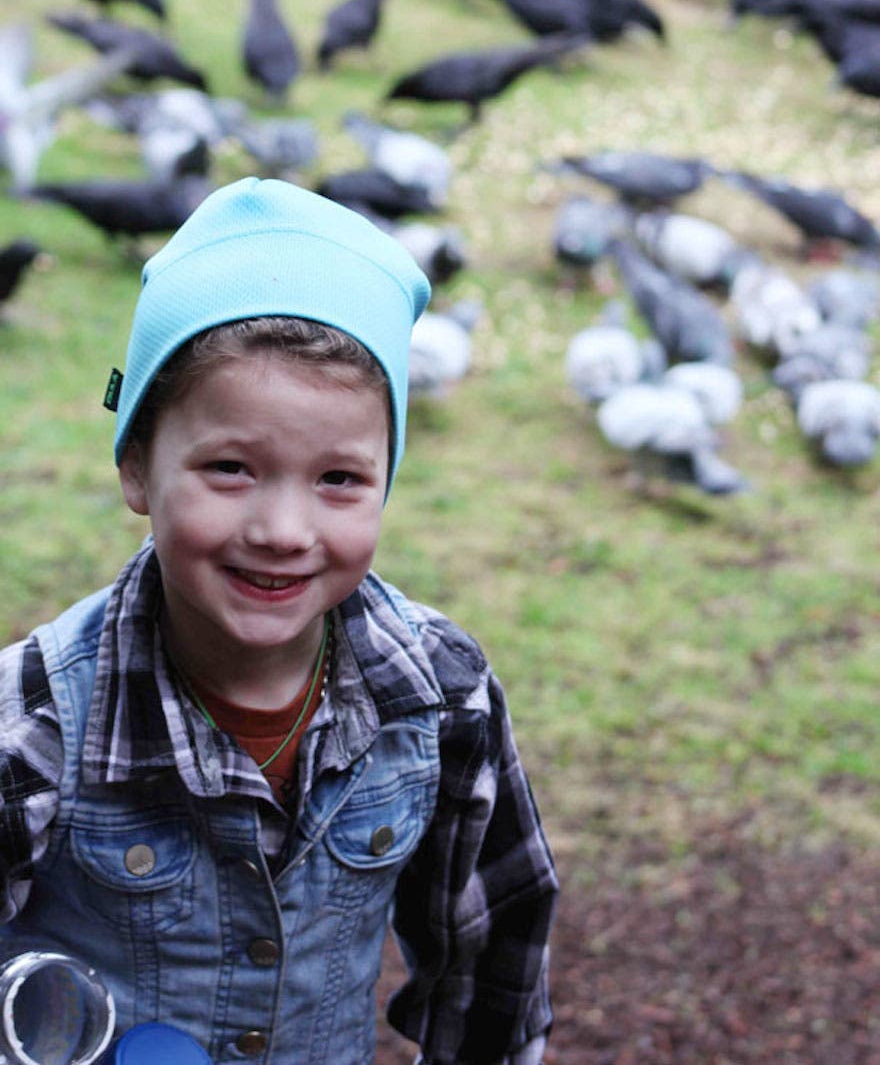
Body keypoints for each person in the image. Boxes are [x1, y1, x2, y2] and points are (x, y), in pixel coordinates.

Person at [0, 178, 557, 1064]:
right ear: (138, 465)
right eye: (230, 466)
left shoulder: (442, 697)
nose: (284, 532)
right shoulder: (34, 724)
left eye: (339, 479)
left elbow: (491, 964)